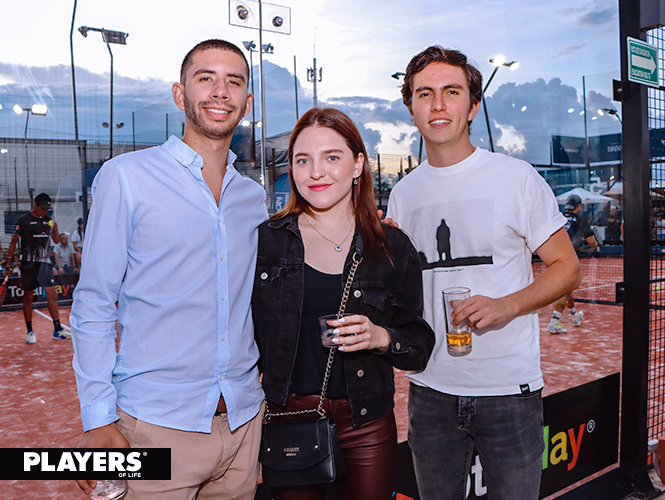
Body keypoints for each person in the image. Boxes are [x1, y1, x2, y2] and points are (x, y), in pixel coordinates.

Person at [71, 39, 266, 500]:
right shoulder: (127, 177)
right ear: (180, 95)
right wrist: (98, 418)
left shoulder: (251, 198)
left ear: (247, 103)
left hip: (242, 424)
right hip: (156, 427)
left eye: (233, 82)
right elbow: (94, 301)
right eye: (206, 79)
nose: (221, 92)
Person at [386, 46, 581, 500]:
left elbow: (567, 268)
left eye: (451, 92)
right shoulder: (403, 194)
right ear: (411, 107)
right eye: (424, 94)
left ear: (472, 105)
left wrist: (505, 306)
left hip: (508, 390)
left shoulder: (516, 178)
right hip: (429, 388)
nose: (437, 104)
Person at [252, 107, 435, 500]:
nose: (316, 172)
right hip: (290, 418)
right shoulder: (265, 242)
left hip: (366, 421)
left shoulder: (392, 247)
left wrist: (380, 336)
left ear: (358, 164)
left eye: (332, 157)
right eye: (303, 160)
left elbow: (419, 347)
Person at [3, 193, 70, 342]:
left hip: (45, 264)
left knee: (52, 295)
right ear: (35, 205)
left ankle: (58, 330)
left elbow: (57, 240)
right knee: (28, 297)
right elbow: (13, 243)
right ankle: (30, 332)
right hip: (28, 263)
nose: (45, 211)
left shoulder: (49, 221)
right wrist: (8, 266)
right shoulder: (23, 220)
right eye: (42, 208)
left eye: (47, 208)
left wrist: (56, 228)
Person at [547, 194, 598, 334]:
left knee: (567, 290)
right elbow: (591, 242)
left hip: (551, 257)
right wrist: (596, 245)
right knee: (565, 289)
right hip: (568, 260)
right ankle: (554, 322)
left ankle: (575, 317)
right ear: (579, 206)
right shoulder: (581, 220)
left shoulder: (559, 217)